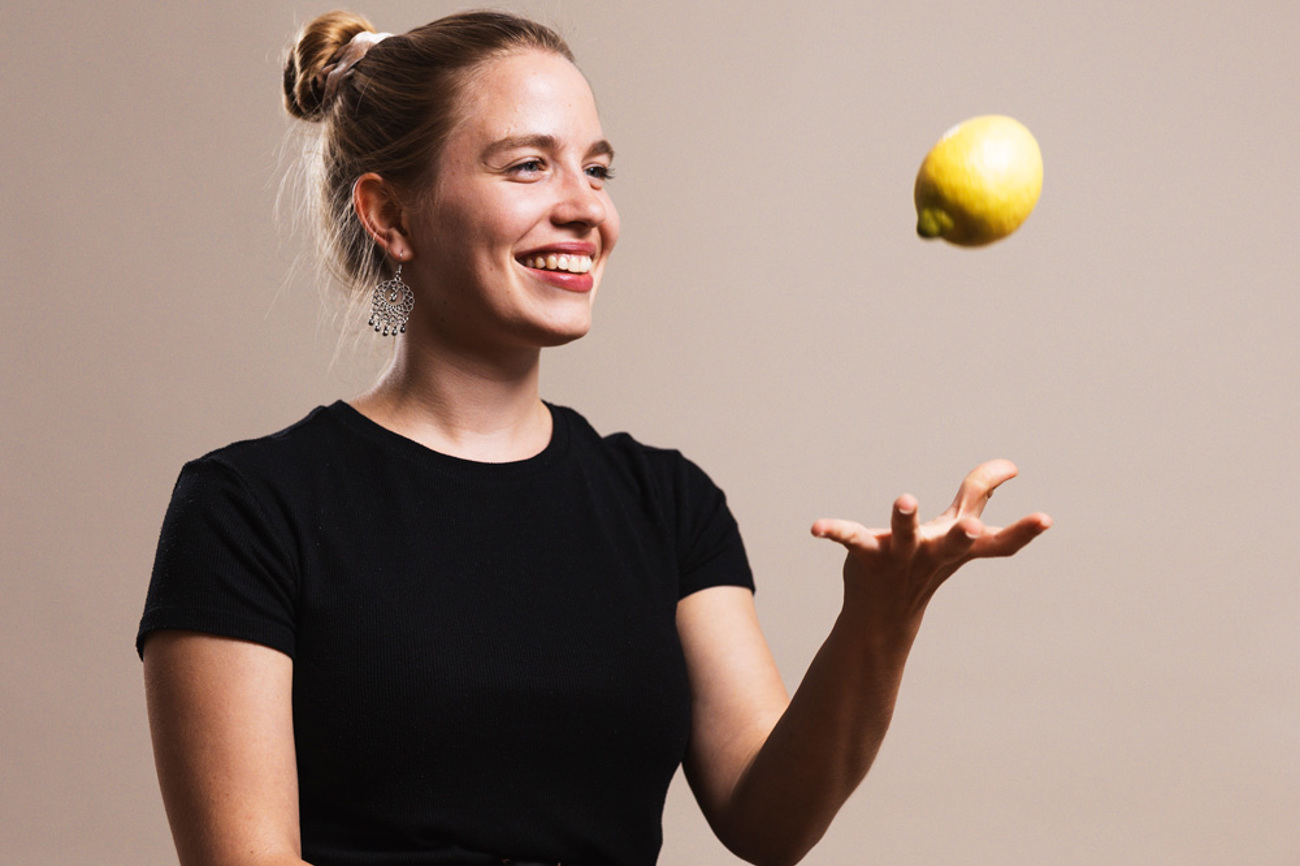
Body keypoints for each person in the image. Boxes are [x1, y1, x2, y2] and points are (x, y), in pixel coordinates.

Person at [137, 10, 1052, 866]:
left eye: (597, 169)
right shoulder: (249, 510)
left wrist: (880, 618)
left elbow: (769, 820)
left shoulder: (665, 504)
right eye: (528, 166)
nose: (585, 208)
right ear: (391, 215)